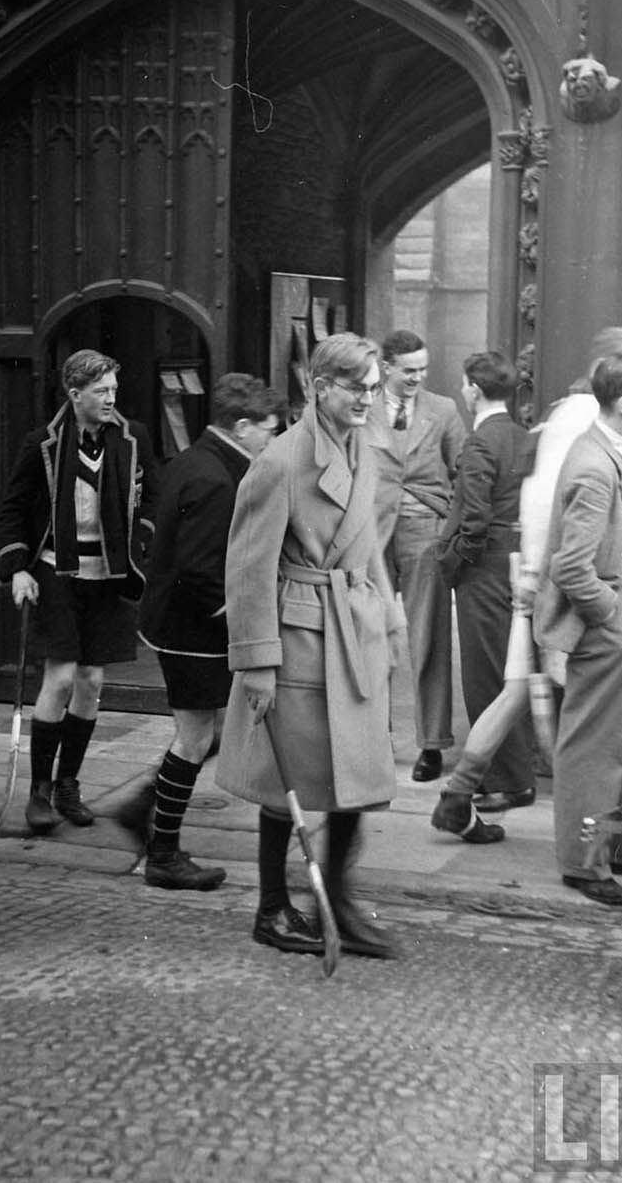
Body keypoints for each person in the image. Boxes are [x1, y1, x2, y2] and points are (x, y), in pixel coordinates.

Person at [217, 333, 405, 960]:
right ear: (320, 386)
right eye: (356, 387)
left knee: (358, 776)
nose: (367, 399)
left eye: (374, 388)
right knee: (287, 782)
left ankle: (341, 902)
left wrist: (391, 621)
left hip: (354, 629)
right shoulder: (279, 460)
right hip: (299, 637)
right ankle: (273, 908)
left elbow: (369, 545)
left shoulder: (365, 449)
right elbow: (248, 568)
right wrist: (257, 665)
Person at [431, 326, 622, 843]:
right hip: (556, 585)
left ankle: (460, 790)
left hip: (534, 576)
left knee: (516, 689)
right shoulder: (582, 422)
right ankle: (596, 824)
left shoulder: (557, 417)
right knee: (577, 705)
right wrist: (541, 581)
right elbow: (550, 504)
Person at [122, 373, 285, 891]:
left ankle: (143, 809)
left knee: (208, 733)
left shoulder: (196, 459)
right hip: (191, 630)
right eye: (269, 430)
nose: (273, 440)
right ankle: (162, 853)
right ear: (242, 427)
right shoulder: (219, 479)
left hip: (179, 624)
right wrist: (247, 617)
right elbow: (202, 570)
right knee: (197, 737)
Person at [0, 349, 159, 834]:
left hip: (108, 576)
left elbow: (154, 494)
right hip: (57, 572)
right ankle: (39, 791)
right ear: (74, 394)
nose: (110, 399)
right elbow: (11, 509)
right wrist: (17, 568)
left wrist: (140, 538)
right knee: (61, 678)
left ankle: (69, 783)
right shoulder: (42, 444)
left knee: (91, 681)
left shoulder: (131, 439)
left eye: (113, 390)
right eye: (100, 391)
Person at [533, 350, 622, 908]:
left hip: (618, 606)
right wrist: (611, 616)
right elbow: (570, 566)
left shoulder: (609, 449)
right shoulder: (593, 464)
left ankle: (621, 851)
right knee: (594, 747)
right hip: (603, 616)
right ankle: (583, 864)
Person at [433, 351, 536, 836]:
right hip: (512, 561)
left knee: (485, 677)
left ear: (473, 389)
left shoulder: (479, 444)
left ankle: (506, 780)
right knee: (507, 672)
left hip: (483, 567)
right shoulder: (520, 437)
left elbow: (472, 521)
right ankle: (513, 775)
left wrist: (451, 564)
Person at [365, 330, 466, 782]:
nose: (418, 378)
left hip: (425, 533)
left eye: (423, 370)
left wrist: (449, 524)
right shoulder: (363, 406)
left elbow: (463, 468)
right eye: (409, 371)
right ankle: (373, 739)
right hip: (369, 534)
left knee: (429, 639)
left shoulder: (442, 409)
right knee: (370, 634)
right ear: (386, 367)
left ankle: (431, 745)